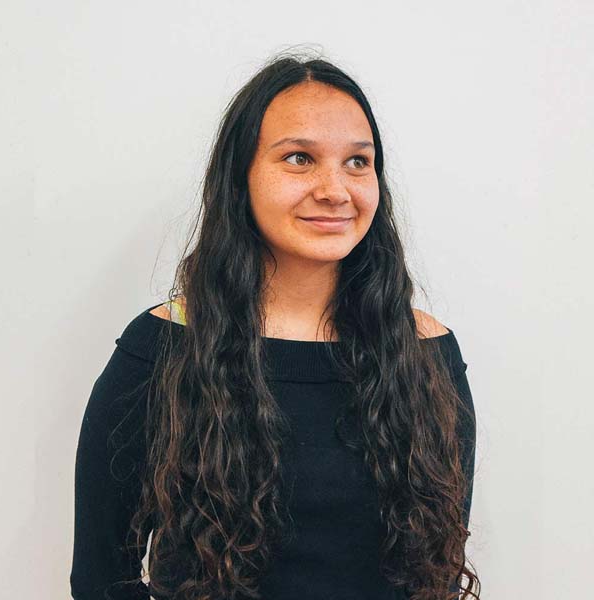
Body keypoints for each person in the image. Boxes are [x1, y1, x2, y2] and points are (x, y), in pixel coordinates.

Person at [70, 51, 480, 600]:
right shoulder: (162, 349)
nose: (335, 189)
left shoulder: (428, 353)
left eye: (358, 162)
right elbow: (102, 580)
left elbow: (438, 574)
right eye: (299, 158)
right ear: (240, 177)